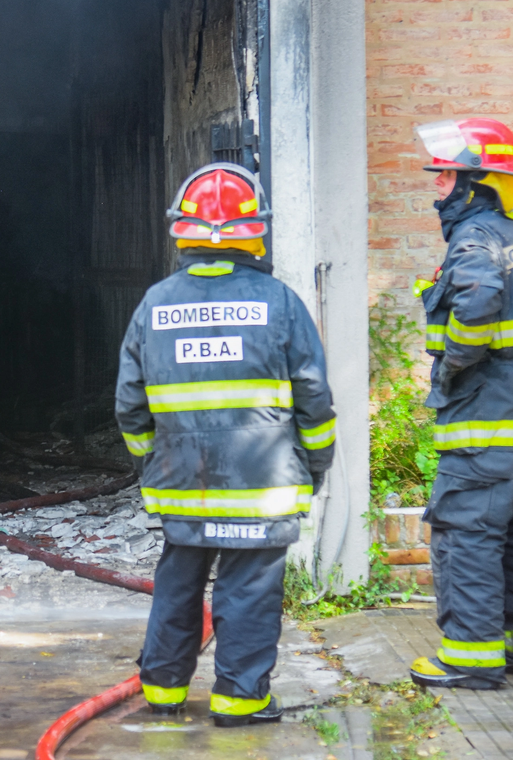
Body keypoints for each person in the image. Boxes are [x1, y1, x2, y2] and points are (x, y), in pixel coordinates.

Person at [115, 162, 336, 726]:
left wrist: (151, 462)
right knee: (249, 591)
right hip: (263, 488)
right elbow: (314, 398)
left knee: (178, 583)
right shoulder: (280, 302)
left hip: (182, 483)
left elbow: (130, 405)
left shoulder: (154, 304)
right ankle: (239, 699)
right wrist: (315, 465)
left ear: (183, 232)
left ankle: (164, 692)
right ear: (254, 231)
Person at [407, 118, 513, 690]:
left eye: (446, 176)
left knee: (467, 538)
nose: (438, 186)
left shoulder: (475, 238)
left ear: (474, 183)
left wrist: (455, 363)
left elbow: (479, 299)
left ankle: (471, 660)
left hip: (484, 426)